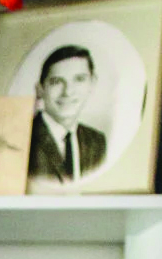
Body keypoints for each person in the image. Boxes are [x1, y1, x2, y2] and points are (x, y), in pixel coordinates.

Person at [28, 44, 106, 185]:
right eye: (56, 81)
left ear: (92, 83)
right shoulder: (24, 137)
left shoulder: (97, 142)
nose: (68, 92)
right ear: (40, 89)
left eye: (79, 79)